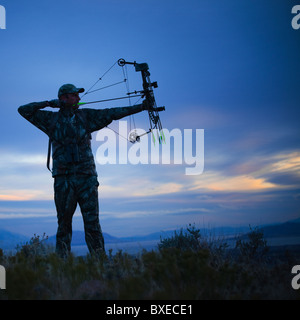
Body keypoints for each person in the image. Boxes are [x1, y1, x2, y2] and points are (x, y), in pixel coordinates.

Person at [18, 83, 150, 258]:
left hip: (86, 178)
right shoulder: (50, 119)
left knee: (92, 224)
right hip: (63, 179)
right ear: (63, 98)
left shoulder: (86, 116)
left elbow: (111, 113)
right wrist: (49, 103)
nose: (79, 99)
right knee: (63, 225)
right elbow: (23, 110)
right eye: (74, 95)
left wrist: (141, 107)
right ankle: (62, 268)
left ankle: (100, 264)